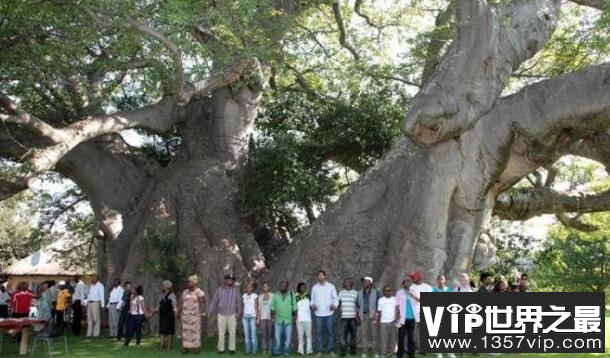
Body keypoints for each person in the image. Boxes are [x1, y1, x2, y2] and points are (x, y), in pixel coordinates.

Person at [210, 274, 242, 354]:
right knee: (221, 332)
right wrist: (210, 311)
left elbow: (239, 302)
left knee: (232, 332)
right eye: (228, 279)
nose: (230, 281)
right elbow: (215, 301)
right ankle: (221, 349)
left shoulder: (236, 290)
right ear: (225, 280)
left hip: (232, 314)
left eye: (231, 279)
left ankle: (232, 349)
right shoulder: (219, 289)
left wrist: (239, 313)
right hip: (221, 314)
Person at [310, 270, 338, 355]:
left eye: (322, 275)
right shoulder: (314, 287)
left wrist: (334, 305)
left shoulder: (331, 286)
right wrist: (313, 305)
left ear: (325, 276)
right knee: (319, 333)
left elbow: (336, 299)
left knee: (330, 332)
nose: (320, 276)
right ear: (317, 277)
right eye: (319, 275)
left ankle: (331, 350)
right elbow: (312, 300)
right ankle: (319, 350)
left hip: (329, 314)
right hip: (318, 314)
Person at [179, 275, 206, 354]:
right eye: (187, 282)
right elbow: (181, 303)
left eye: (190, 282)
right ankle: (185, 348)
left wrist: (203, 312)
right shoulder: (185, 292)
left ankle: (196, 349)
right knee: (185, 332)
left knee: (195, 332)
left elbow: (203, 303)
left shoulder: (199, 292)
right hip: (185, 315)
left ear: (195, 282)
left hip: (195, 315)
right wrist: (178, 313)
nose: (188, 283)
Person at [149, 280, 178, 350]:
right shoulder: (161, 295)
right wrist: (151, 314)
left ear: (167, 287)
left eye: (162, 286)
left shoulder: (172, 295)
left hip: (169, 316)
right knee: (162, 331)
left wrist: (176, 314)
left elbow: (174, 306)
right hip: (162, 316)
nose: (161, 287)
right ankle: (162, 347)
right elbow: (157, 307)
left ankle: (168, 347)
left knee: (169, 331)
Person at [271, 281, 296, 356]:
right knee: (277, 338)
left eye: (284, 285)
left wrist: (295, 317)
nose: (282, 286)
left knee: (288, 339)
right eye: (281, 285)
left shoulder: (291, 294)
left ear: (287, 286)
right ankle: (276, 352)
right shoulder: (276, 295)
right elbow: (273, 308)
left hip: (288, 320)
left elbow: (294, 307)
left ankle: (287, 352)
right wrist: (273, 318)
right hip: (278, 320)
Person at [408, 272, 431, 354]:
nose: (412, 279)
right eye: (412, 278)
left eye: (413, 278)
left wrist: (415, 297)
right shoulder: (411, 287)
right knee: (412, 330)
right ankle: (412, 348)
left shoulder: (427, 287)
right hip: (413, 312)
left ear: (418, 278)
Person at [356, 276, 379, 358]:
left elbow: (378, 305)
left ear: (370, 283)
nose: (364, 283)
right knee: (364, 335)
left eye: (366, 281)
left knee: (374, 334)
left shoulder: (375, 292)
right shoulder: (359, 293)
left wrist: (376, 315)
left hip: (372, 315)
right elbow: (357, 305)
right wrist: (357, 316)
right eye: (363, 282)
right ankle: (364, 352)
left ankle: (375, 352)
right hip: (363, 316)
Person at [396, 278, 416, 358]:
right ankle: (400, 354)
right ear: (403, 283)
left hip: (412, 318)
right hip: (402, 318)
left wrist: (413, 296)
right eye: (406, 282)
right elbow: (397, 304)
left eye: (409, 282)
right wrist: (397, 314)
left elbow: (420, 300)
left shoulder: (413, 291)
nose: (408, 283)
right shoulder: (399, 292)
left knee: (410, 337)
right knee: (401, 337)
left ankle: (411, 354)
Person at [338, 278, 358, 356]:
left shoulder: (355, 293)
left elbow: (358, 305)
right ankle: (343, 351)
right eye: (346, 282)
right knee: (343, 336)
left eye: (350, 282)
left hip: (353, 317)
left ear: (352, 283)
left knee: (353, 335)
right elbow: (337, 302)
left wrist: (357, 316)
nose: (348, 283)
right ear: (344, 283)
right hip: (344, 317)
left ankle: (352, 351)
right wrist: (334, 306)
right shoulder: (341, 293)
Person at [376, 285, 397, 358]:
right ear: (383, 292)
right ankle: (383, 353)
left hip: (393, 321)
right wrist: (377, 321)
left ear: (391, 291)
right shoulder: (381, 300)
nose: (388, 292)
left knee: (393, 338)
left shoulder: (395, 299)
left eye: (390, 290)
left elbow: (397, 310)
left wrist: (396, 320)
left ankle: (393, 353)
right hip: (383, 321)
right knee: (383, 339)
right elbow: (379, 311)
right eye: (386, 291)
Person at [296, 282, 313, 355]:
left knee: (308, 335)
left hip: (308, 319)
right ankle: (300, 351)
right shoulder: (296, 296)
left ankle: (309, 350)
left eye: (304, 287)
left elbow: (311, 306)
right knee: (300, 335)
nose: (303, 288)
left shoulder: (309, 296)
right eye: (302, 287)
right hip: (299, 319)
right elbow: (294, 308)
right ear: (299, 288)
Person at [242, 282, 259, 354]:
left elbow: (256, 307)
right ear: (246, 288)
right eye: (247, 287)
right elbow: (243, 306)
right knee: (247, 334)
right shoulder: (244, 296)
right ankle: (248, 350)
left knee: (253, 334)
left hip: (252, 316)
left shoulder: (255, 296)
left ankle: (254, 351)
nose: (248, 288)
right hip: (245, 317)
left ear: (252, 288)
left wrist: (257, 317)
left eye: (250, 287)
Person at [258, 282, 274, 355]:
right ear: (262, 288)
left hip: (270, 318)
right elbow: (259, 308)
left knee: (270, 335)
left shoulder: (273, 295)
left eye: (267, 286)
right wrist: (258, 319)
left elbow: (274, 307)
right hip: (262, 318)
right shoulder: (260, 296)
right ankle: (264, 350)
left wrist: (274, 318)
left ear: (269, 287)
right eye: (264, 286)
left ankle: (270, 350)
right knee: (263, 335)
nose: (265, 288)